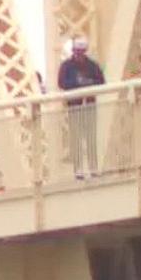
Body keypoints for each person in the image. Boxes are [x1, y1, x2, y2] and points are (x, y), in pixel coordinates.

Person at [57, 37, 106, 178]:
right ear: (74, 51)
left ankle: (93, 167)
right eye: (77, 51)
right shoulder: (66, 66)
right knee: (76, 139)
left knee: (91, 137)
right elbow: (62, 83)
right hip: (75, 107)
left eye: (81, 51)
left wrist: (87, 83)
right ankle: (78, 169)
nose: (79, 54)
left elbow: (101, 81)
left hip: (89, 106)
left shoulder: (92, 65)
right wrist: (79, 84)